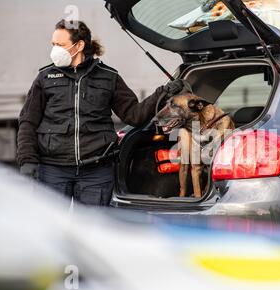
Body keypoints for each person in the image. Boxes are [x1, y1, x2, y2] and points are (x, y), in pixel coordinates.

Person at [17, 19, 184, 206]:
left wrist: (164, 92)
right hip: (53, 170)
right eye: (53, 44)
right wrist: (27, 161)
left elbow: (134, 115)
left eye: (60, 44)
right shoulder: (45, 77)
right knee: (52, 231)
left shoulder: (108, 77)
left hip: (96, 172)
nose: (55, 49)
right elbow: (27, 122)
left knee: (93, 230)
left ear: (79, 45)